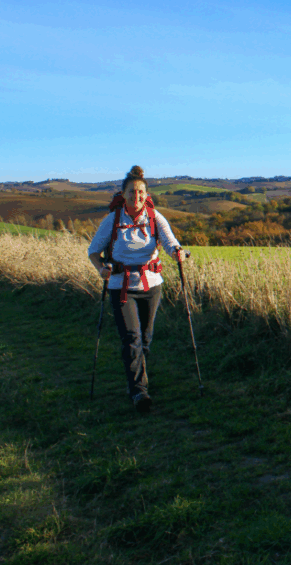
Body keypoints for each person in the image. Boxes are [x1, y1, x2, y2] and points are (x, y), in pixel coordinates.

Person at [88, 165, 187, 413]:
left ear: (146, 194)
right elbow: (93, 251)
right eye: (132, 192)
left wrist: (177, 253)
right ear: (123, 194)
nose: (137, 197)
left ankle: (137, 379)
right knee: (132, 338)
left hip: (151, 285)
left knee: (145, 339)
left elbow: (169, 242)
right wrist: (102, 268)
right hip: (121, 287)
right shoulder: (112, 220)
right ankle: (138, 392)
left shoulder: (155, 217)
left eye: (141, 192)